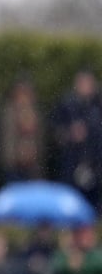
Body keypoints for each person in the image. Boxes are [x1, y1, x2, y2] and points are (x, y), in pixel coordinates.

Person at [52, 68, 102, 211]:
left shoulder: (98, 105)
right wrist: (70, 134)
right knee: (72, 200)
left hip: (94, 163)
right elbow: (55, 133)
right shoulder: (66, 105)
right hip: (72, 162)